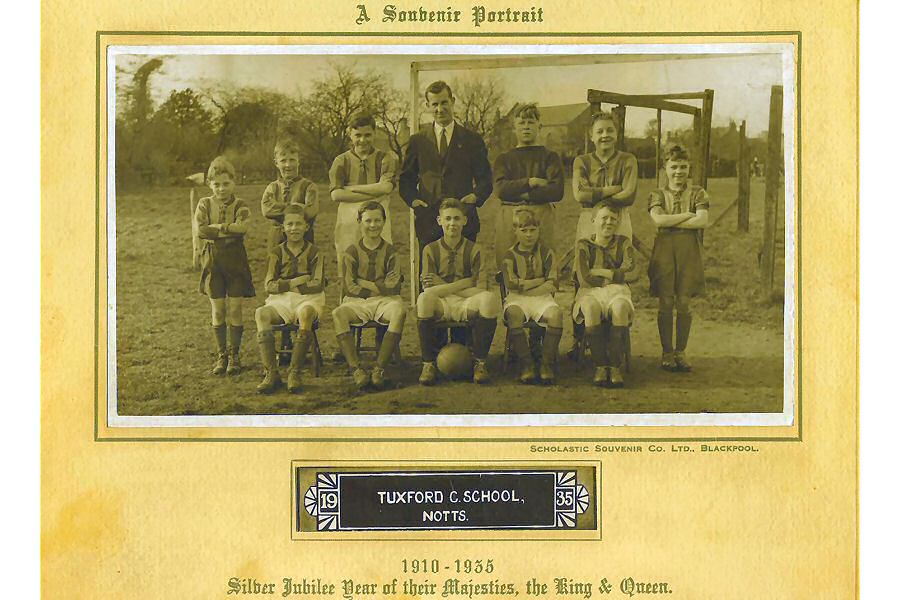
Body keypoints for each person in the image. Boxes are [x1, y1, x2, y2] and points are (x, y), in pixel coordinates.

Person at [399, 80, 493, 250]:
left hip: (463, 219)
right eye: (434, 104)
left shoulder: (472, 140)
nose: (440, 109)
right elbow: (406, 179)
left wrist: (475, 197)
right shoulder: (418, 141)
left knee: (464, 272)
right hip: (428, 221)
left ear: (453, 101)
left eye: (444, 103)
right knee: (428, 274)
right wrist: (414, 201)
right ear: (427, 106)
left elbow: (485, 179)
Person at [416, 198, 500, 386]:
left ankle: (479, 363)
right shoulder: (430, 249)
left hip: (466, 302)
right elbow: (429, 289)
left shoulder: (475, 249)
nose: (452, 223)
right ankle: (428, 363)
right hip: (442, 304)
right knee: (423, 300)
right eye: (447, 219)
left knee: (489, 300)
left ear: (465, 221)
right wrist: (464, 283)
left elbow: (481, 288)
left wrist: (444, 285)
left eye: (456, 218)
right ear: (439, 221)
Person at [647, 144, 709, 372]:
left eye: (683, 167)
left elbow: (702, 221)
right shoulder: (656, 194)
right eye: (674, 167)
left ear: (689, 168)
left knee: (684, 301)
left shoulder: (698, 192)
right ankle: (666, 352)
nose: (679, 172)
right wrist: (686, 215)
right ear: (665, 168)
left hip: (688, 250)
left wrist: (672, 219)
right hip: (664, 249)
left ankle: (680, 351)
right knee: (666, 300)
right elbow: (658, 221)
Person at [332, 202, 405, 390]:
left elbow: (393, 285)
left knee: (399, 311)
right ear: (359, 222)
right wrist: (377, 287)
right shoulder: (351, 252)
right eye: (368, 221)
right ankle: (356, 369)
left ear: (384, 222)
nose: (373, 225)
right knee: (338, 314)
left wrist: (365, 283)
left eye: (377, 220)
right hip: (357, 302)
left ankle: (379, 369)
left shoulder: (391, 251)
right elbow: (349, 287)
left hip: (385, 301)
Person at [254, 206, 326, 394]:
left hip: (308, 298)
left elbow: (318, 284)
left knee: (306, 313)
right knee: (261, 313)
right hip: (281, 299)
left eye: (298, 224)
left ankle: (295, 372)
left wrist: (287, 284)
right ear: (283, 228)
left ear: (306, 227)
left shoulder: (315, 252)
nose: (294, 228)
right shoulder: (276, 252)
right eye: (290, 224)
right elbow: (269, 285)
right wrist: (296, 281)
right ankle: (271, 373)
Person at [195, 156, 255, 376]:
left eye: (226, 183)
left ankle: (235, 355)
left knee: (236, 309)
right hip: (212, 260)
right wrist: (229, 230)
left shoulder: (241, 205)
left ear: (234, 182)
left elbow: (244, 227)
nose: (221, 188)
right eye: (216, 184)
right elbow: (201, 230)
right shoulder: (204, 203)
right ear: (210, 184)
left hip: (235, 259)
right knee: (218, 310)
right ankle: (222, 355)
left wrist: (219, 227)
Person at [329, 114, 399, 279]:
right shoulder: (341, 160)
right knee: (348, 257)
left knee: (380, 254)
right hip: (348, 215)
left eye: (367, 135)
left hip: (378, 213)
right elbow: (336, 194)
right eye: (358, 135)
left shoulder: (385, 158)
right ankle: (347, 297)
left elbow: (386, 187)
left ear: (374, 133)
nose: (362, 140)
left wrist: (352, 189)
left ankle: (380, 292)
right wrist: (374, 190)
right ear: (350, 135)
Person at [572, 205, 635, 387]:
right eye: (604, 218)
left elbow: (633, 273)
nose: (609, 222)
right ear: (593, 222)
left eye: (613, 219)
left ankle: (614, 366)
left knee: (620, 307)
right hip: (590, 291)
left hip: (618, 291)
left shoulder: (624, 243)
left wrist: (602, 272)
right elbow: (584, 277)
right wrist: (616, 275)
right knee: (591, 308)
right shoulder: (584, 245)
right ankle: (600, 365)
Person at [499, 208, 563, 384]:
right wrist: (540, 280)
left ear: (539, 230)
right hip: (516, 299)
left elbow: (553, 283)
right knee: (513, 314)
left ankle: (546, 364)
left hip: (542, 298)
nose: (529, 235)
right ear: (515, 231)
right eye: (524, 230)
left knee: (556, 315)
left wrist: (527, 286)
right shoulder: (509, 256)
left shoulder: (547, 253)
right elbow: (512, 285)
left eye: (532, 230)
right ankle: (526, 364)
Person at [493, 103, 565, 260]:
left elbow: (557, 190)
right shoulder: (504, 158)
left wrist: (521, 194)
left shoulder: (550, 157)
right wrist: (530, 182)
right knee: (508, 265)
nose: (526, 127)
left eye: (531, 122)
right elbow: (500, 189)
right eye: (521, 123)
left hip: (541, 215)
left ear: (540, 126)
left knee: (544, 263)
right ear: (514, 128)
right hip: (510, 216)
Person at [572, 112, 638, 241]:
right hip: (589, 217)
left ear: (616, 134)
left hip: (619, 216)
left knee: (619, 256)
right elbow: (580, 194)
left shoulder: (628, 160)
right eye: (599, 131)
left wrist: (594, 194)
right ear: (591, 136)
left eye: (610, 130)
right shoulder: (581, 161)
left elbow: (629, 195)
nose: (605, 135)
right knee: (588, 257)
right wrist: (614, 189)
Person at [261, 138, 319, 251]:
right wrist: (295, 207)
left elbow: (310, 211)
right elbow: (266, 210)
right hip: (277, 239)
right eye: (283, 160)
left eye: (292, 160)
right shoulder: (272, 187)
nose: (288, 165)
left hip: (303, 239)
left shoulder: (309, 187)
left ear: (298, 161)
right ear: (276, 163)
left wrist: (278, 208)